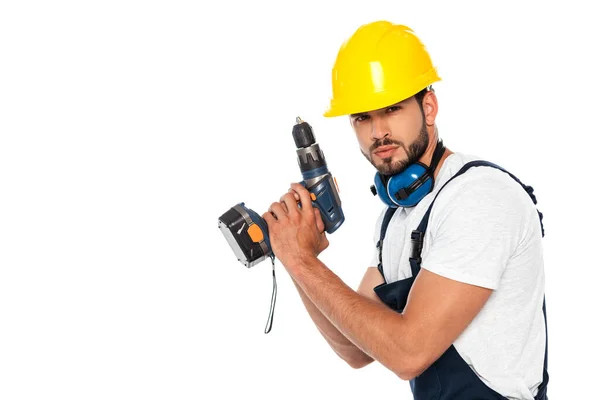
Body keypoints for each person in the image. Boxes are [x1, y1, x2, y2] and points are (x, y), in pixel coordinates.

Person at [261, 20, 549, 400]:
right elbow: (354, 349)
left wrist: (302, 262)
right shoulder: (398, 216)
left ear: (428, 107)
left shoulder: (480, 198)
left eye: (392, 109)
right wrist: (292, 252)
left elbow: (409, 352)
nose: (378, 132)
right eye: (363, 117)